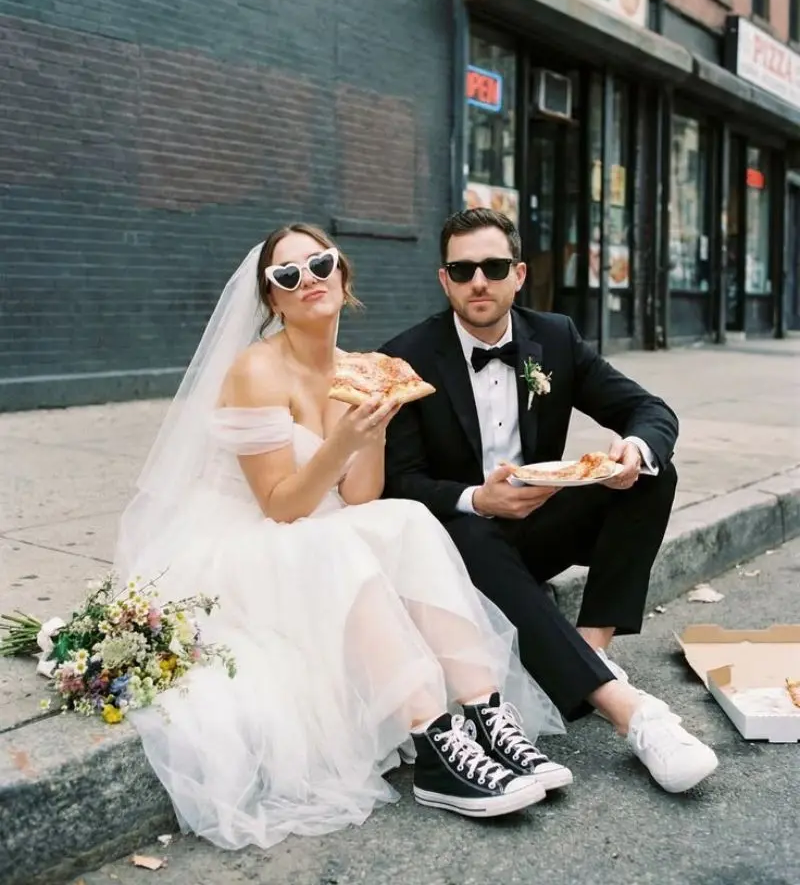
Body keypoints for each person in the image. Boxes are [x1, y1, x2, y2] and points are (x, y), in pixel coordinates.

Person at [113, 222, 573, 852]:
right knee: (336, 544)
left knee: (409, 518)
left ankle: (486, 711)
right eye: (287, 275)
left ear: (342, 276)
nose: (308, 281)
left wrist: (374, 427)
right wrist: (342, 442)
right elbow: (281, 507)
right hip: (247, 540)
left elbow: (359, 498)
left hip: (318, 523)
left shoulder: (363, 370)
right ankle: (432, 739)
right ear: (272, 297)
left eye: (320, 264)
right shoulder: (255, 373)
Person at [380, 207, 719, 794]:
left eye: (491, 267)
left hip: (539, 529)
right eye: (462, 271)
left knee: (651, 473)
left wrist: (633, 451)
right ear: (444, 281)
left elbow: (651, 411)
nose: (478, 282)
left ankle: (590, 652)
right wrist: (476, 499)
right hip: (460, 547)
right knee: (470, 531)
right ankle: (629, 713)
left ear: (518, 273)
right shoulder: (406, 356)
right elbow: (398, 483)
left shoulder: (554, 338)